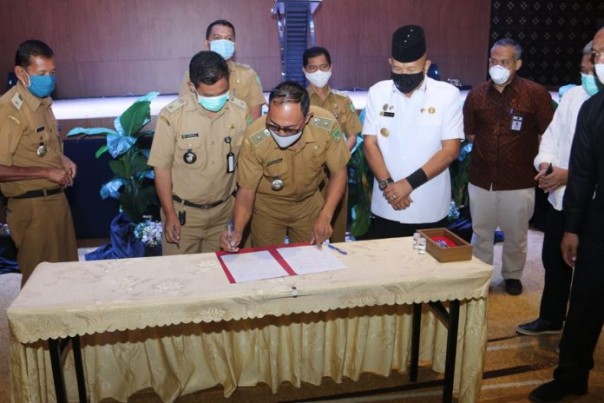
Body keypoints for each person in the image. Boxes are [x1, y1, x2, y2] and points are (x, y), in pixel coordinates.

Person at [529, 26, 604, 402]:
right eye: (597, 55)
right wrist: (572, 228)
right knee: (585, 302)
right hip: (594, 221)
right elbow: (584, 171)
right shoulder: (592, 107)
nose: (597, 62)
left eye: (602, 54)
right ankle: (572, 376)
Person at [517, 41, 601, 336]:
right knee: (554, 260)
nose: (587, 75)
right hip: (560, 199)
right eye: (583, 69)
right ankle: (551, 318)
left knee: (587, 274)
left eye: (592, 69)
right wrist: (546, 165)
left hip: (593, 205)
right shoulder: (573, 97)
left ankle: (577, 336)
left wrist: (569, 176)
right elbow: (552, 137)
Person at [464, 38, 554, 295]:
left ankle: (512, 275)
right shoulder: (476, 94)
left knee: (516, 234)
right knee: (481, 233)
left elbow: (547, 134)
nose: (497, 67)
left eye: (504, 62)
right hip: (482, 178)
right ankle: (481, 276)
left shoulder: (535, 93)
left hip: (519, 179)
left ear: (518, 64)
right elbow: (470, 133)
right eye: (493, 61)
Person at [361, 24, 463, 240]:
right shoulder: (377, 93)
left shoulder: (447, 95)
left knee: (427, 260)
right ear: (390, 63)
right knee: (385, 258)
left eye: (411, 70)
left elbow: (450, 150)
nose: (404, 75)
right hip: (388, 202)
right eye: (398, 69)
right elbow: (370, 144)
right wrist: (389, 186)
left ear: (426, 65)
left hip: (428, 203)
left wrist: (408, 184)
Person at [220, 81, 349, 251]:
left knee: (308, 258)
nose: (280, 134)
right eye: (273, 125)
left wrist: (325, 216)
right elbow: (246, 191)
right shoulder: (255, 136)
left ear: (307, 118)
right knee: (267, 259)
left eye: (289, 129)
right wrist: (237, 230)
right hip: (268, 208)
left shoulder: (325, 126)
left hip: (308, 204)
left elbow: (339, 173)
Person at [149, 51, 251, 255]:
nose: (217, 100)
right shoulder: (172, 116)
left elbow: (247, 167)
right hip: (183, 217)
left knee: (221, 271)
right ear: (192, 87)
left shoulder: (241, 112)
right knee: (181, 273)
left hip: (224, 214)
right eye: (208, 96)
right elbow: (162, 169)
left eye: (222, 92)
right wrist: (169, 213)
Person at [0, 39, 78, 286]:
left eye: (52, 73)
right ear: (21, 73)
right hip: (32, 207)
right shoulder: (9, 110)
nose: (49, 79)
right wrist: (46, 172)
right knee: (39, 284)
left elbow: (39, 147)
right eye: (42, 74)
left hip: (56, 200)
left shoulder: (42, 102)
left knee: (67, 277)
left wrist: (62, 159)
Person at [303, 46, 362, 242]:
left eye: (323, 67)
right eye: (312, 68)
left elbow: (352, 135)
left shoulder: (343, 100)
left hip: (337, 172)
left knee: (337, 227)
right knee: (307, 230)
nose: (318, 72)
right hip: (308, 174)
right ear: (304, 70)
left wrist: (337, 158)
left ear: (330, 67)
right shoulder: (299, 100)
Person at [179, 19, 265, 120]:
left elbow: (255, 117)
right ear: (207, 43)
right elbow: (185, 111)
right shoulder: (193, 74)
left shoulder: (247, 74)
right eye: (217, 38)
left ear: (234, 45)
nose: (223, 42)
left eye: (229, 39)